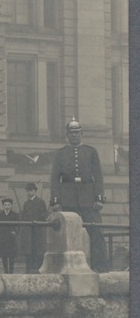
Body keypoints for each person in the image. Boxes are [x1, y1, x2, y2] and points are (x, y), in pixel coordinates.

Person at [49, 117, 109, 273]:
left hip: (89, 198)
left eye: (77, 133)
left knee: (96, 232)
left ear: (82, 134)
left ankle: (100, 267)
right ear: (67, 135)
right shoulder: (61, 153)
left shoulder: (91, 152)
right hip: (67, 198)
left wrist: (99, 197)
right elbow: (55, 178)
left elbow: (98, 176)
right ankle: (65, 267)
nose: (74, 136)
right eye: (71, 133)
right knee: (66, 235)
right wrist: (55, 200)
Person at [17, 182, 48, 273]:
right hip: (28, 231)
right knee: (28, 252)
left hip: (37, 231)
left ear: (35, 191)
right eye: (27, 191)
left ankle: (37, 270)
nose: (29, 193)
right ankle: (29, 271)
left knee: (37, 251)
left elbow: (43, 215)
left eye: (31, 190)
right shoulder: (26, 203)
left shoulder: (40, 202)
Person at [0, 197, 20, 274]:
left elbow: (18, 226)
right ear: (3, 206)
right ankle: (5, 271)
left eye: (8, 205)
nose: (7, 206)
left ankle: (11, 272)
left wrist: (15, 232)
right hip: (2, 239)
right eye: (5, 205)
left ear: (11, 206)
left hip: (11, 239)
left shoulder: (15, 215)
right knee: (4, 256)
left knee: (11, 257)